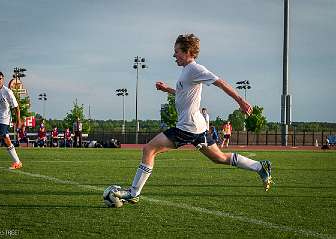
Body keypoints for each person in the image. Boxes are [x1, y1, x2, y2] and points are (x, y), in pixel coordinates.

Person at [114, 34, 272, 204]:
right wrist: (168, 89)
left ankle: (134, 192)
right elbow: (184, 94)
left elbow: (220, 82)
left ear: (188, 51)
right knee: (219, 158)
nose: (174, 55)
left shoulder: (195, 69)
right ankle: (259, 166)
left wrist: (240, 100)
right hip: (197, 126)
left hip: (187, 127)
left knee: (149, 149)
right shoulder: (186, 71)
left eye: (177, 52)